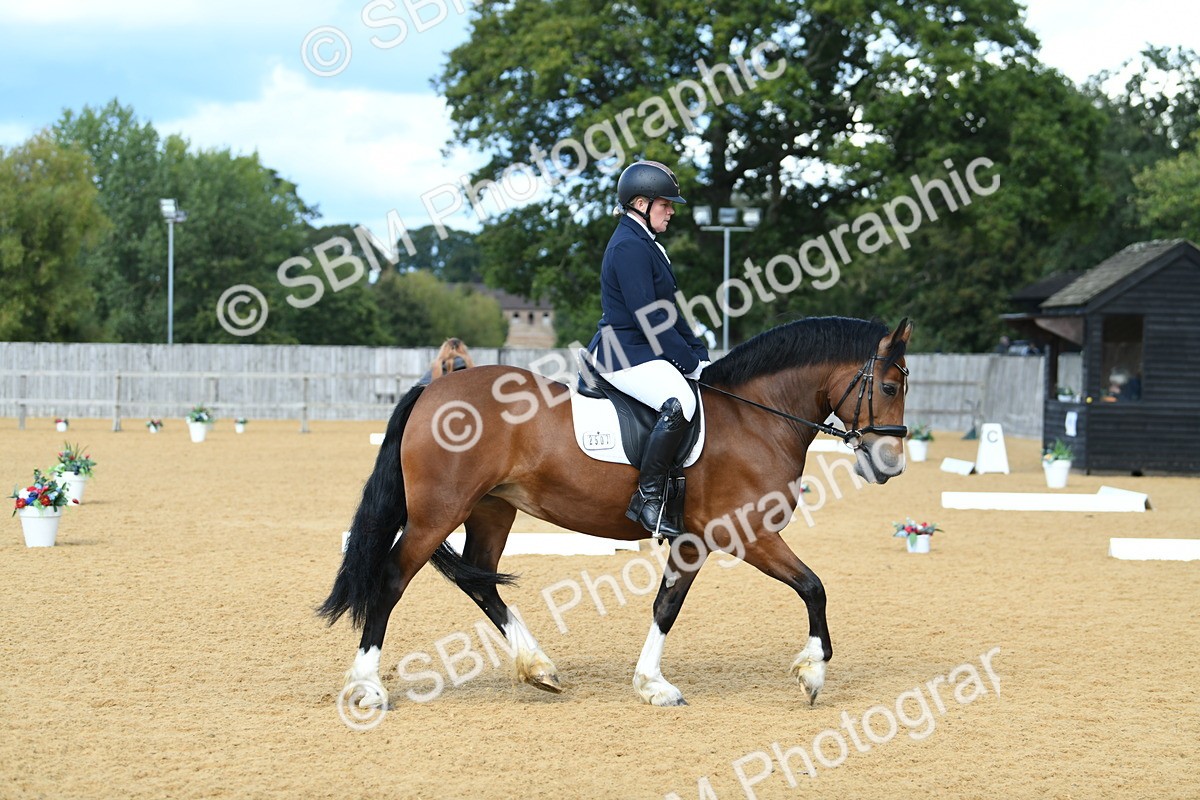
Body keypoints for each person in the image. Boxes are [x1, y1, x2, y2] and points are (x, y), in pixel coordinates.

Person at [584, 160, 710, 540]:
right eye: (665, 204)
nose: (671, 211)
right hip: (623, 353)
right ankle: (649, 498)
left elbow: (670, 308)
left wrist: (699, 353)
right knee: (680, 403)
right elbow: (647, 317)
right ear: (641, 203)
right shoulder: (628, 246)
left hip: (641, 350)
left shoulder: (646, 244)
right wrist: (686, 362)